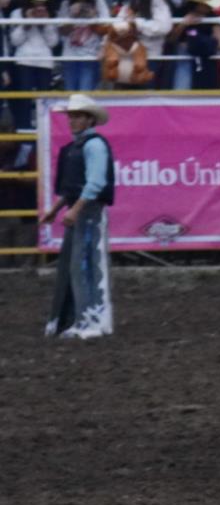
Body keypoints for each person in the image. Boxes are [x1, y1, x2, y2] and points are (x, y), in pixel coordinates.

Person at [42, 94, 115, 340]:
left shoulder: (92, 145)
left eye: (77, 117)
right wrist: (59, 207)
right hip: (83, 210)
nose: (72, 121)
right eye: (71, 116)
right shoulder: (81, 146)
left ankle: (91, 319)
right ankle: (85, 317)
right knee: (80, 264)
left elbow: (95, 182)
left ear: (89, 120)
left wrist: (72, 208)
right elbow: (78, 186)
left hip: (88, 211)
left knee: (85, 264)